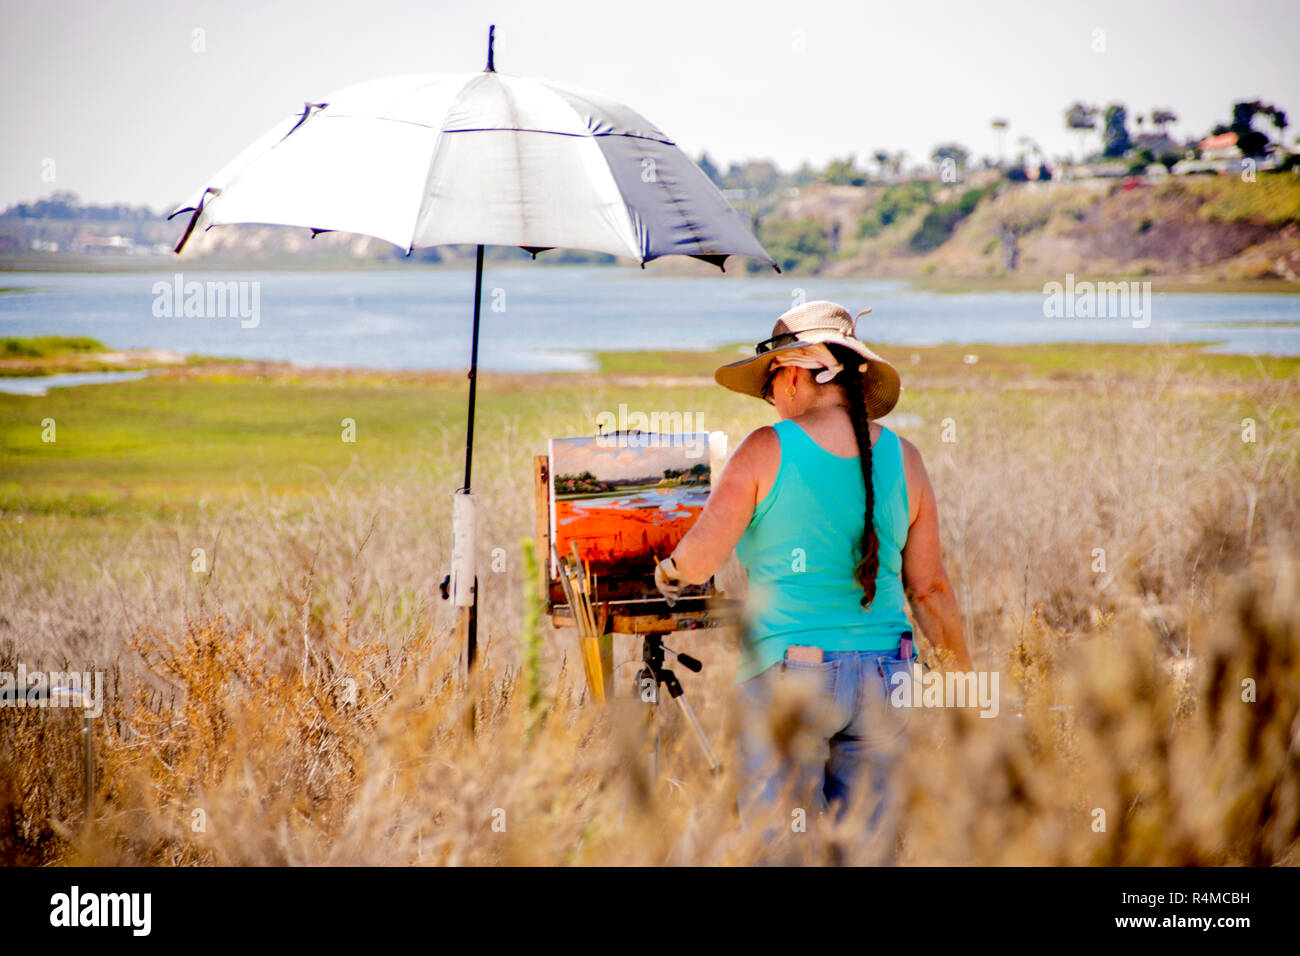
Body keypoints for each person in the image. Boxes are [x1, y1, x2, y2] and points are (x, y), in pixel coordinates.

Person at [653, 300, 973, 851]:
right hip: (888, 675)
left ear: (797, 373)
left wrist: (667, 572)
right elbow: (930, 589)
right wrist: (966, 683)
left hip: (791, 675)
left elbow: (699, 560)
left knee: (783, 850)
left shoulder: (765, 449)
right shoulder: (906, 458)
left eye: (770, 382)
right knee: (870, 851)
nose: (770, 399)